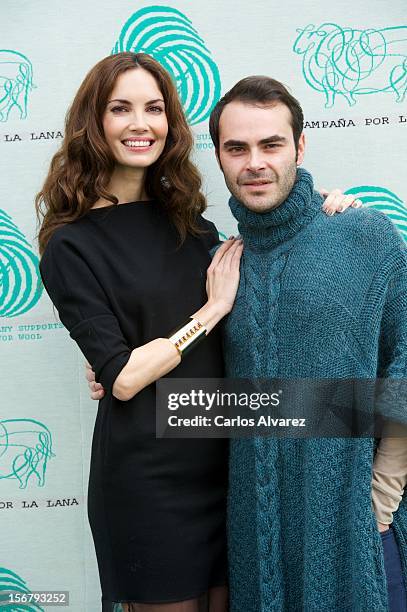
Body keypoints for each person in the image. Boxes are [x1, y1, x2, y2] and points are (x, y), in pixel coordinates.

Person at [37, 52, 353, 611]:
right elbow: (126, 379)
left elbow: (260, 283)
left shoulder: (189, 218)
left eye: (154, 108)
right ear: (94, 122)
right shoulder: (71, 244)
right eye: (121, 108)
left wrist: (322, 211)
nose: (141, 124)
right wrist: (206, 315)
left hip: (226, 469)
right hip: (149, 482)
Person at [206, 76, 407, 611]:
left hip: (355, 526)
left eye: (271, 144)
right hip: (255, 533)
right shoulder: (221, 263)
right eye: (236, 148)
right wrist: (110, 374)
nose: (255, 162)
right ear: (220, 157)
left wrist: (381, 499)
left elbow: (404, 367)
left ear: (300, 146)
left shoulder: (363, 235)